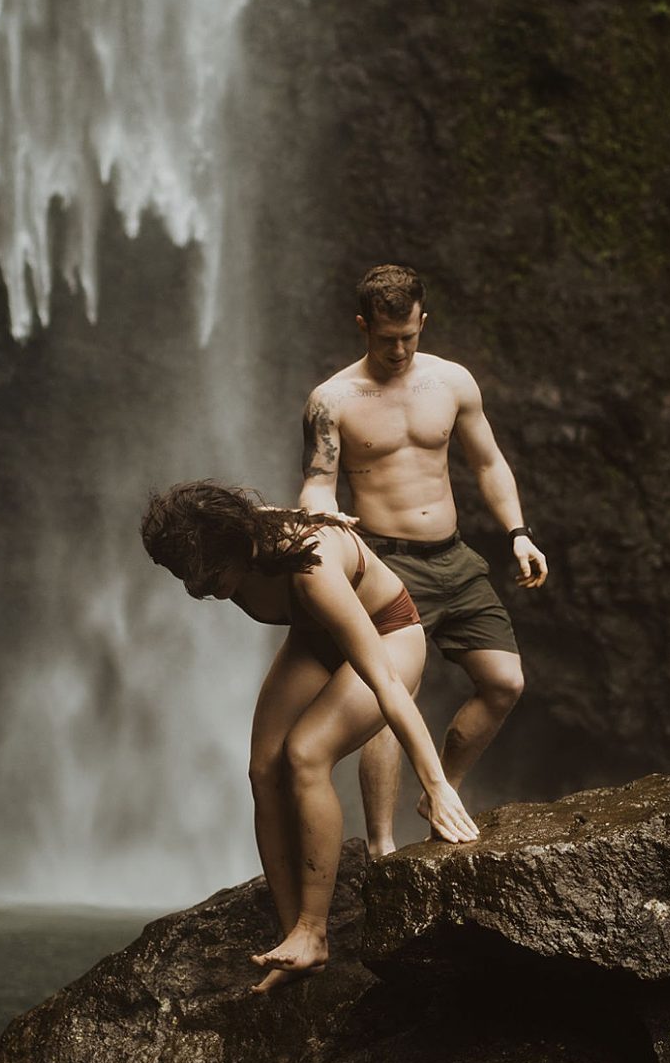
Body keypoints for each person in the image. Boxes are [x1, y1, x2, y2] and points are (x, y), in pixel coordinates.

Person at [141, 480, 480, 993]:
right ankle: (292, 938)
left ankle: (314, 932)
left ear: (235, 546)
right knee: (262, 769)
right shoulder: (237, 534)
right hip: (315, 635)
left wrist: (436, 786)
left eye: (207, 573)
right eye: (184, 576)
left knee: (305, 753)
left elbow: (388, 685)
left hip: (387, 636)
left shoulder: (313, 567)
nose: (198, 588)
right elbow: (256, 512)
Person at [299, 263, 548, 858]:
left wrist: (518, 532)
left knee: (505, 681)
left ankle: (443, 792)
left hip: (454, 559)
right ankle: (383, 849)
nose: (400, 349)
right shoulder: (332, 401)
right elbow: (316, 482)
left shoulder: (452, 382)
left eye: (410, 335)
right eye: (387, 339)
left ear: (423, 321)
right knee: (390, 702)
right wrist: (322, 517)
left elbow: (488, 462)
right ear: (363, 326)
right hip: (385, 565)